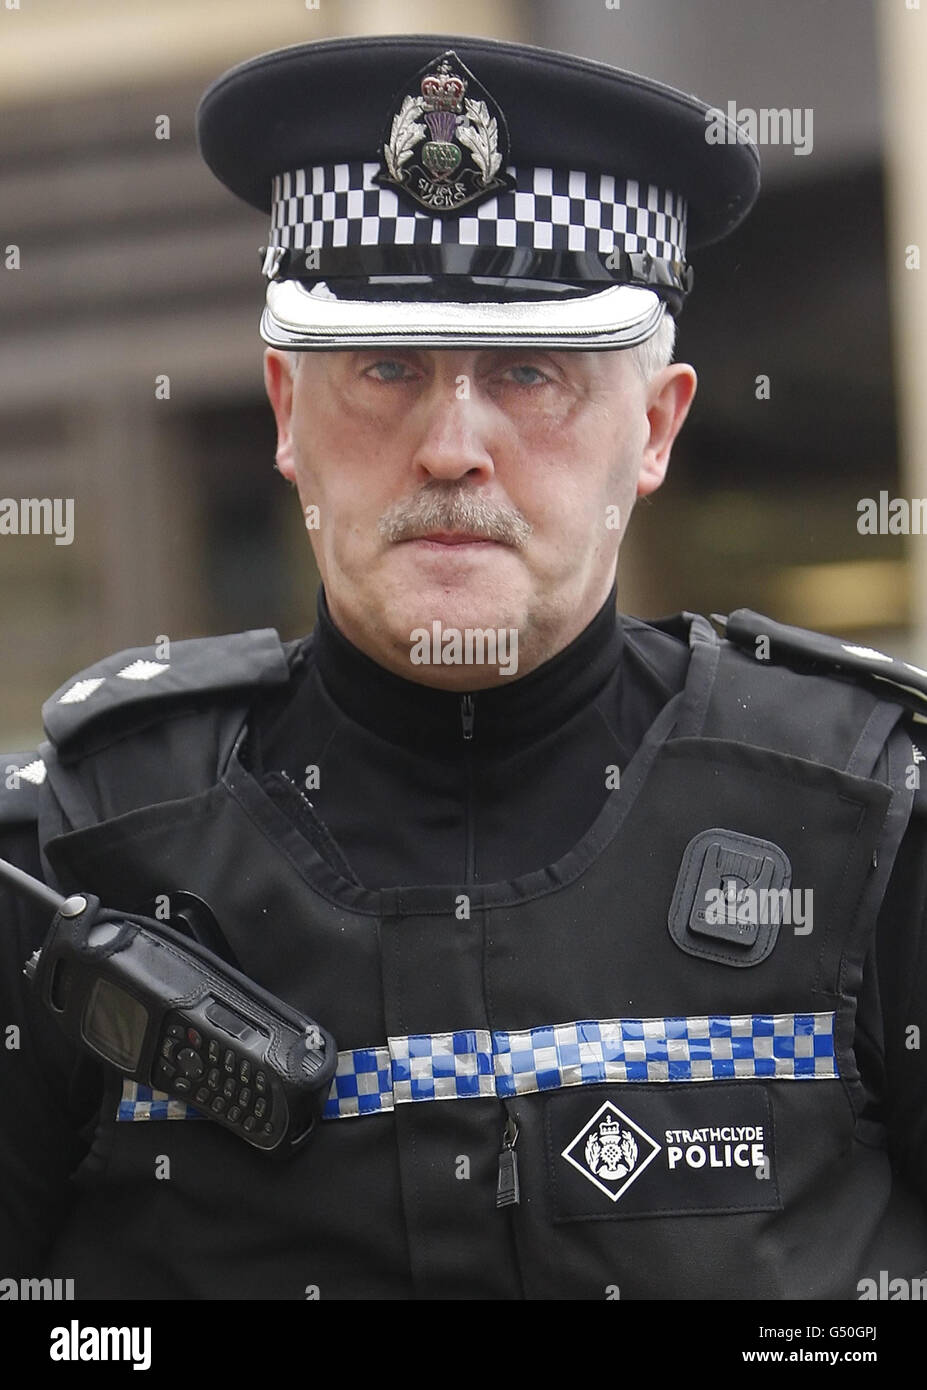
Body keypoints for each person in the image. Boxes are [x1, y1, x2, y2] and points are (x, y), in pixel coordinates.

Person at [1, 32, 925, 1302]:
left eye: (531, 373)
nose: (451, 448)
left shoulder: (872, 827)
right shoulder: (75, 858)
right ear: (285, 408)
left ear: (655, 429)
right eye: (385, 368)